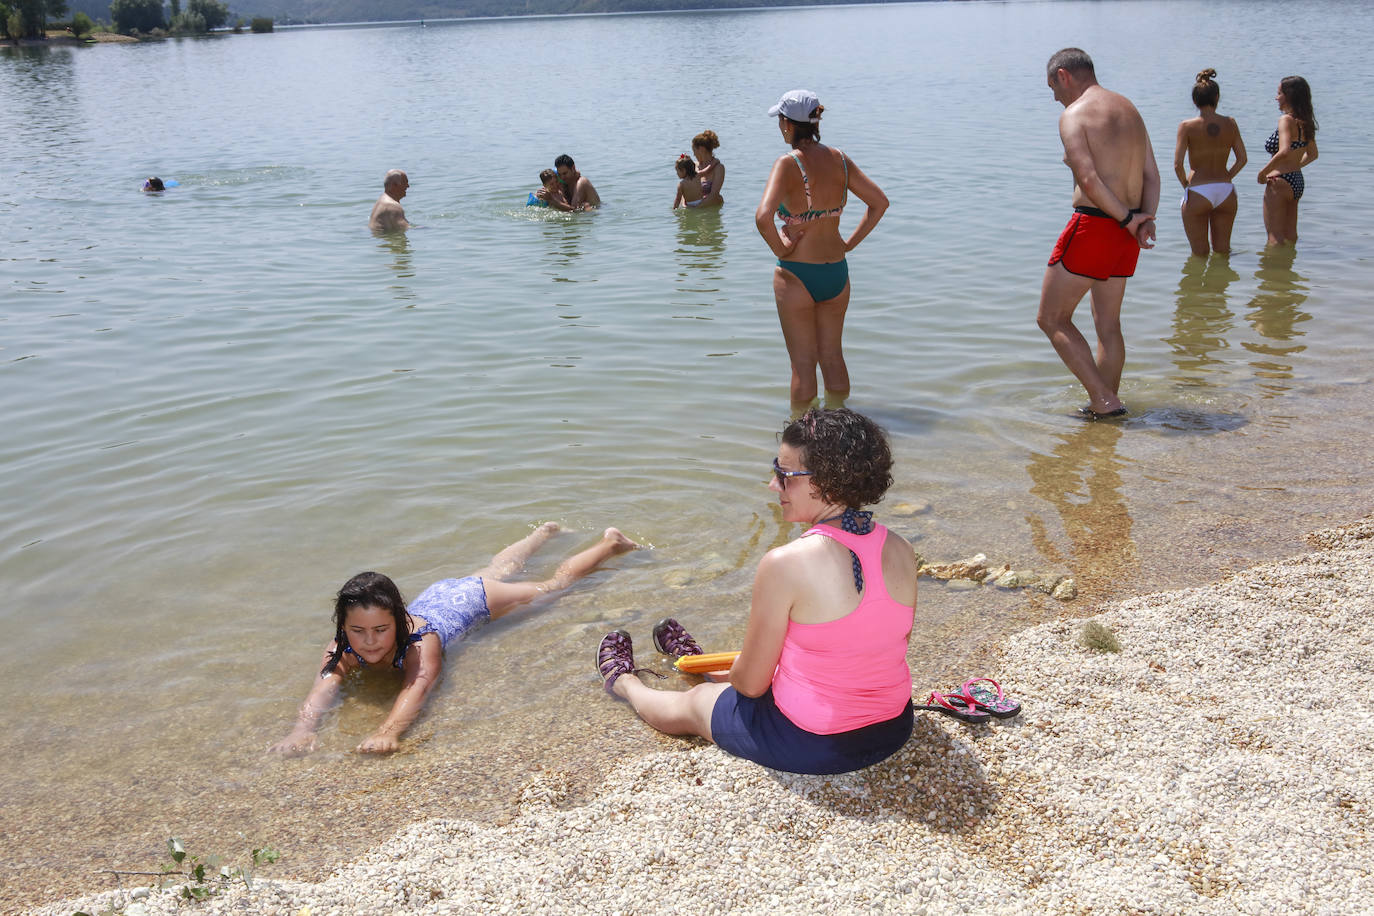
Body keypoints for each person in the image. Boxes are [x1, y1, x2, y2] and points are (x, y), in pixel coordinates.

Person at [595, 408, 918, 776]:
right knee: (793, 658)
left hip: (816, 743)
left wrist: (739, 675)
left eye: (784, 475)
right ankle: (702, 665)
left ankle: (625, 683)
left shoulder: (785, 563)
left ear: (826, 481)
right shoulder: (900, 548)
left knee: (698, 704)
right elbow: (869, 646)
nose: (772, 485)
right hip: (893, 728)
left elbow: (750, 686)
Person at [270, 524, 638, 755]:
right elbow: (321, 690)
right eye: (358, 631)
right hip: (441, 593)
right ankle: (541, 534)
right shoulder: (341, 647)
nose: (368, 642)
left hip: (474, 600)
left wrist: (388, 732)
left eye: (381, 630)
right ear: (343, 628)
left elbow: (417, 688)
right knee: (499, 570)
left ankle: (611, 543)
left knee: (552, 588)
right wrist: (302, 731)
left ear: (398, 623)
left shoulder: (421, 641)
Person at [1037, 49, 1160, 420]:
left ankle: (1104, 401)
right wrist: (1143, 219)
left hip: (1098, 224)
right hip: (1129, 230)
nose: (1055, 98)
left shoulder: (1073, 115)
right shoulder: (1129, 109)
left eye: (1052, 88)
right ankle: (1107, 403)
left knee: (1051, 318)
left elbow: (1089, 180)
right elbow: (1152, 175)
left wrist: (1124, 219)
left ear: (1064, 76)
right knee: (1108, 326)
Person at [754, 90, 888, 407]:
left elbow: (763, 218)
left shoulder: (787, 164)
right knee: (832, 357)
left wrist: (782, 248)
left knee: (802, 365)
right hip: (837, 273)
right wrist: (849, 244)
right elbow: (879, 204)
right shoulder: (840, 160)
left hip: (798, 274)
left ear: (787, 124)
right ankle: (840, 424)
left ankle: (803, 440)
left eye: (780, 121)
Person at [1173, 68, 1247, 258]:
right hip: (1226, 191)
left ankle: (1199, 288)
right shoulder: (1230, 123)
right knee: (1223, 253)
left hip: (1198, 190)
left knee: (1199, 255)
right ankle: (1220, 288)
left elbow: (1177, 164)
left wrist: (1186, 185)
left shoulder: (1187, 126)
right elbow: (1242, 159)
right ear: (1217, 98)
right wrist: (1227, 177)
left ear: (1194, 100)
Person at [1258, 76, 1318, 247]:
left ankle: (1273, 272)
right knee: (1291, 235)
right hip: (1297, 181)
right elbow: (1313, 154)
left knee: (1274, 237)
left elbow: (1284, 150)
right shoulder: (1305, 121)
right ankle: (1288, 268)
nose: (1276, 97)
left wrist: (1263, 172)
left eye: (1279, 93)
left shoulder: (1285, 120)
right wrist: (1293, 167)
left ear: (1289, 96)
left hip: (1279, 181)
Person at [692, 130, 725, 206]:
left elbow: (713, 195)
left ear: (701, 149)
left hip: (709, 208)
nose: (694, 154)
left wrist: (697, 209)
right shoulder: (693, 166)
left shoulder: (719, 168)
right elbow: (684, 188)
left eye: (694, 151)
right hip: (694, 208)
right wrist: (684, 205)